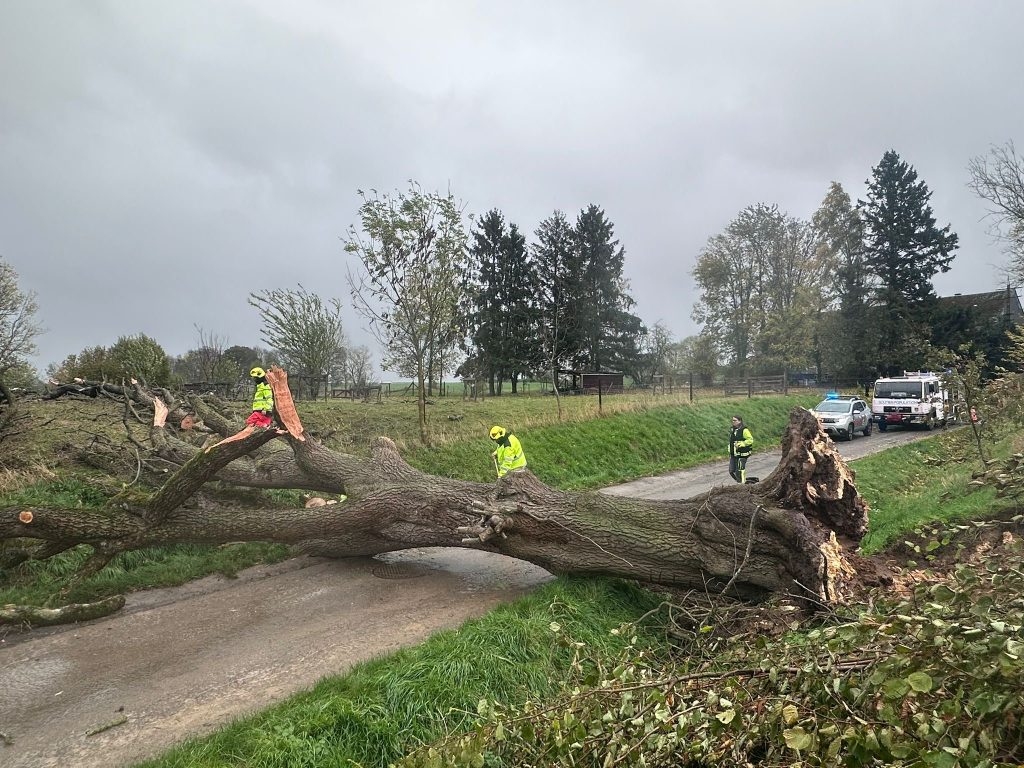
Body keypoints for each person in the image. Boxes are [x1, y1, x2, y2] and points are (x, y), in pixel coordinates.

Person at [728, 415, 754, 484]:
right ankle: (741, 482)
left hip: (742, 454)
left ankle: (742, 484)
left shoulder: (744, 430)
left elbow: (750, 440)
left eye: (735, 420)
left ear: (740, 421)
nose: (733, 422)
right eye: (732, 420)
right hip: (733, 454)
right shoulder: (732, 429)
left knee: (740, 470)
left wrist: (741, 444)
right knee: (731, 471)